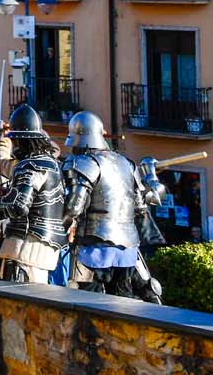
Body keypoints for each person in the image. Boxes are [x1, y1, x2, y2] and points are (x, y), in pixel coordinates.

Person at [61, 111, 161, 302]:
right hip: (128, 246)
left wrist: (59, 229)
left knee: (89, 300)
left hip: (94, 245)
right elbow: (140, 207)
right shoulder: (126, 163)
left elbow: (74, 207)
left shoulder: (84, 163)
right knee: (123, 299)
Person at [0, 105, 66, 284]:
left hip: (26, 244)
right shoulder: (53, 164)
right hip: (46, 244)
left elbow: (18, 206)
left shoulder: (29, 165)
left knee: (19, 304)